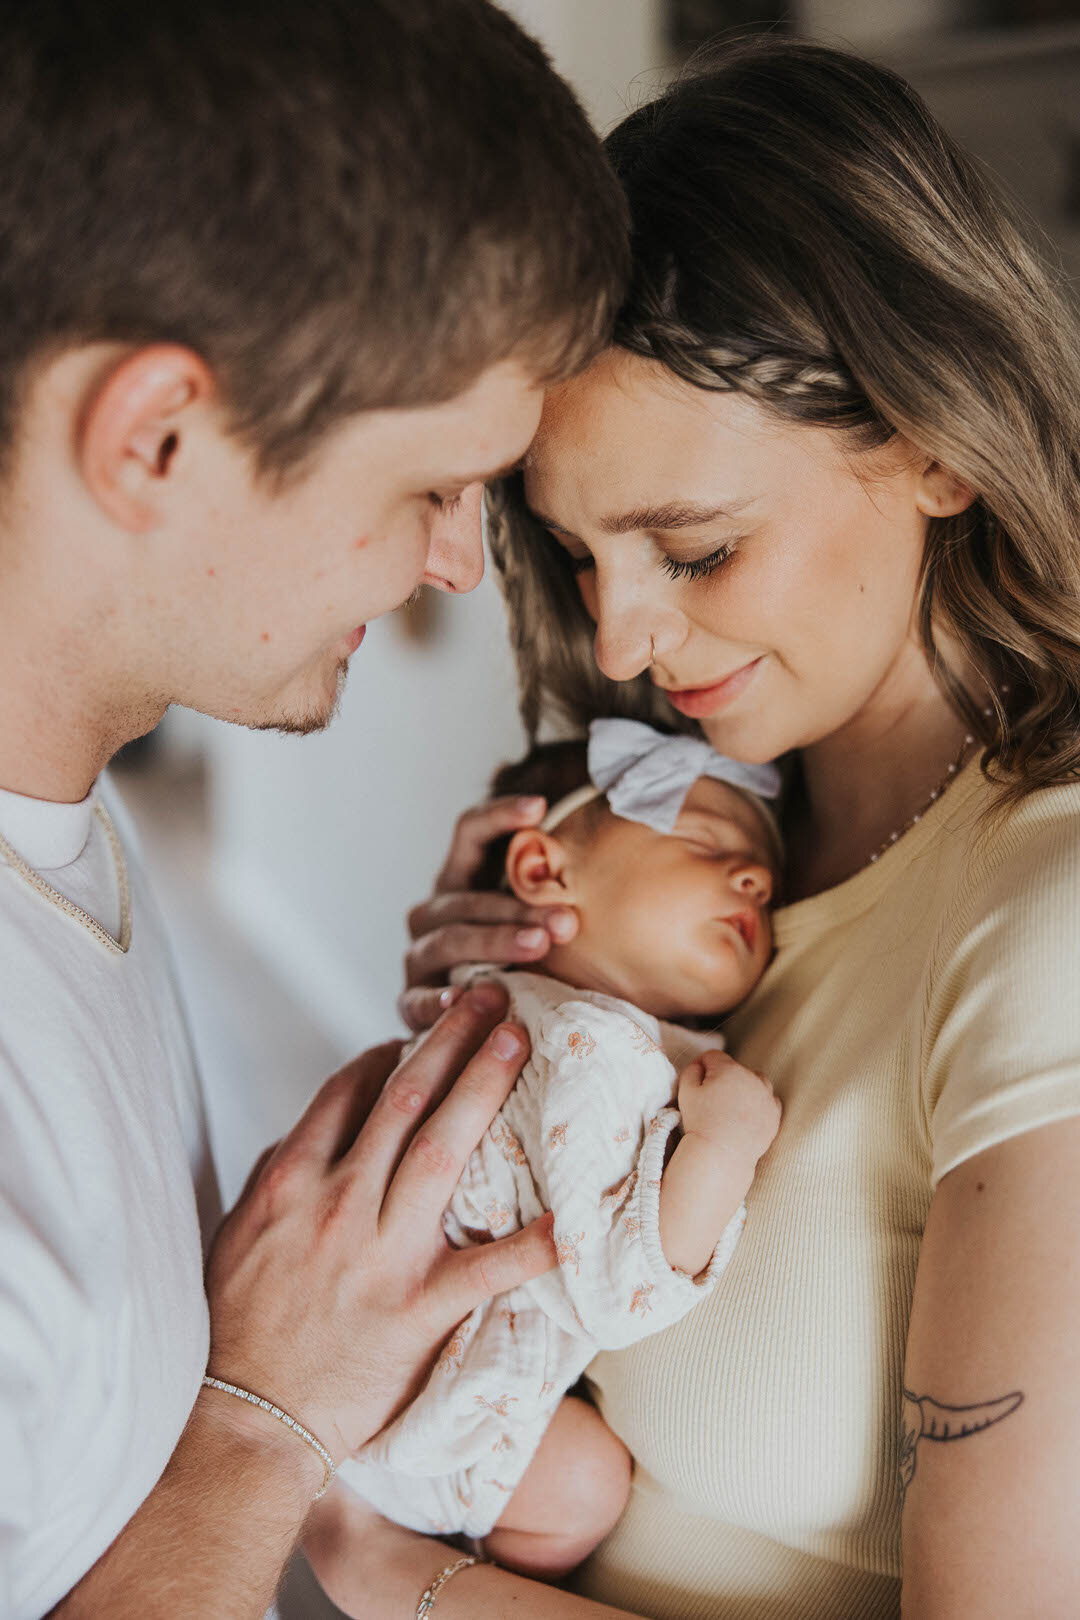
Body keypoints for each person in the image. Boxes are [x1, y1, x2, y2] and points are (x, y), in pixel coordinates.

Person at [342, 33, 1080, 1620]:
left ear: (939, 441)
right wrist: (521, 1053)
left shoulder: (1051, 917)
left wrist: (384, 1569)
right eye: (580, 553)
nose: (616, 647)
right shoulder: (682, 867)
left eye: (698, 547)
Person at [0, 3, 631, 1616]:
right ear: (154, 437)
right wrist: (255, 1426)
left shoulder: (58, 815)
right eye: (429, 487)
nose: (444, 564)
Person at [316, 724, 782, 1591]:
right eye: (705, 841)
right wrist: (724, 1146)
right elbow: (613, 1292)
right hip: (427, 1412)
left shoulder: (511, 1006)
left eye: (763, 872)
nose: (753, 875)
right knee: (583, 1484)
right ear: (541, 872)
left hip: (357, 1361)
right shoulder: (594, 1045)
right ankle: (476, 1568)